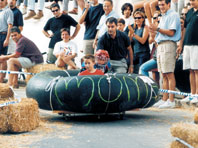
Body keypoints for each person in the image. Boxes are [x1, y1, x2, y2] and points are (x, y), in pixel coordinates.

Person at [149, 0, 181, 108]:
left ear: (169, 4)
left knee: (169, 73)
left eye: (163, 5)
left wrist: (157, 28)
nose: (161, 7)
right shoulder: (162, 16)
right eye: (159, 5)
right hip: (160, 45)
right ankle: (165, 98)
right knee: (163, 74)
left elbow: (171, 32)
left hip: (168, 44)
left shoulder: (173, 15)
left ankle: (171, 100)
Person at [177, 0, 198, 104]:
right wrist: (181, 44)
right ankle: (192, 94)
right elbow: (184, 29)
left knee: (196, 70)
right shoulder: (189, 12)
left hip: (196, 45)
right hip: (187, 45)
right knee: (190, 70)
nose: (192, 1)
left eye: (194, 0)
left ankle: (197, 95)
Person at [139, 11, 161, 85]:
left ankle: (150, 88)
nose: (156, 19)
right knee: (154, 73)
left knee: (165, 74)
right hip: (155, 50)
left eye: (158, 17)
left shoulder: (163, 26)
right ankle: (154, 90)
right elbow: (150, 41)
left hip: (162, 51)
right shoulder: (152, 27)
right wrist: (152, 35)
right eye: (154, 18)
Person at [0, 0, 14, 83]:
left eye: (2, 0)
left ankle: (1, 79)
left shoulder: (8, 11)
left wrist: (7, 38)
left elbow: (10, 26)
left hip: (3, 35)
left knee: (2, 58)